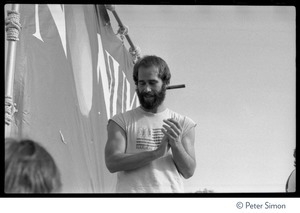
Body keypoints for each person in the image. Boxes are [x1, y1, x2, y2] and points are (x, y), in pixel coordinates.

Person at [105, 55, 196, 193]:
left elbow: (188, 171)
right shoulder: (120, 121)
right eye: (142, 83)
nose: (146, 89)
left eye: (152, 83)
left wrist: (176, 143)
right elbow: (112, 163)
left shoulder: (184, 123)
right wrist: (155, 154)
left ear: (165, 83)